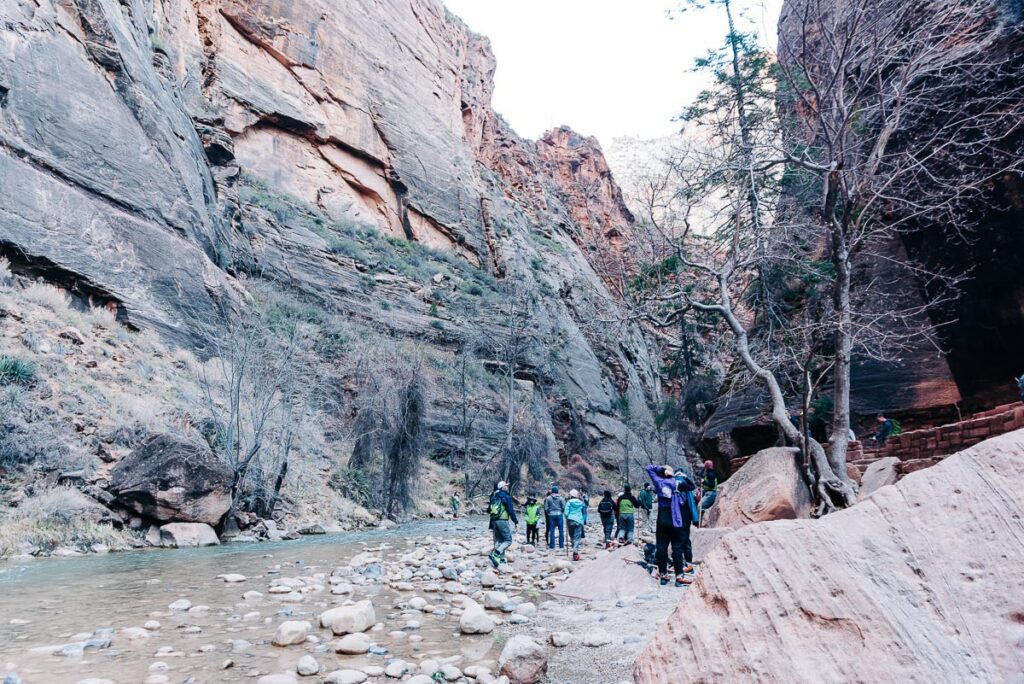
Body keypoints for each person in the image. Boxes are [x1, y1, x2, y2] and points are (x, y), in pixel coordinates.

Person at [646, 464, 696, 587]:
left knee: (662, 548)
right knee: (677, 548)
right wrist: (684, 476)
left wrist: (661, 470)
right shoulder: (677, 483)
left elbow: (649, 468)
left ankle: (663, 576)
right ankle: (679, 577)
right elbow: (692, 486)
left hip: (662, 520)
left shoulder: (658, 482)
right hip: (676, 519)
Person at [487, 481, 518, 568]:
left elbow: (488, 510)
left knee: (499, 540)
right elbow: (510, 510)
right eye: (506, 486)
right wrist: (515, 521)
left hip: (493, 521)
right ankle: (496, 554)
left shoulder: (493, 496)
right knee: (508, 540)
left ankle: (501, 560)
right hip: (502, 520)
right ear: (502, 487)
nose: (507, 487)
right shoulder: (506, 496)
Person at [564, 489, 587, 561]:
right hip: (578, 521)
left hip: (570, 521)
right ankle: (575, 550)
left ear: (571, 496)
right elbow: (585, 507)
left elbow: (565, 513)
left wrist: (567, 518)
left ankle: (574, 549)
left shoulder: (568, 502)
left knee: (572, 536)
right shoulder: (581, 502)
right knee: (577, 537)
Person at [543, 486, 565, 550]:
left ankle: (552, 546)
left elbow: (546, 508)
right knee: (561, 530)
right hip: (559, 515)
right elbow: (563, 507)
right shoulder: (561, 498)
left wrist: (548, 513)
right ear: (558, 491)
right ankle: (561, 545)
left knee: (552, 530)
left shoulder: (548, 498)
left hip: (551, 515)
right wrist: (561, 512)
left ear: (552, 491)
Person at [699, 461, 718, 525]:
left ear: (706, 465)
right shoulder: (710, 472)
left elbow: (712, 485)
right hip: (708, 492)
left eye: (705, 465)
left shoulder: (711, 473)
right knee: (701, 506)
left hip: (711, 493)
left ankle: (702, 522)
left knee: (700, 506)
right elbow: (700, 474)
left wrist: (704, 482)